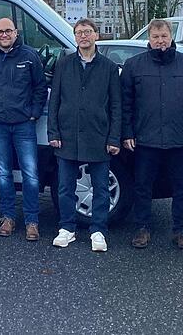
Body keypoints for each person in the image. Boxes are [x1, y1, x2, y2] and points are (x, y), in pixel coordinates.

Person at [122, 19, 183, 251]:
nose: (160, 41)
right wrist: (127, 132)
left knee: (181, 188)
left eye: (164, 36)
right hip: (144, 138)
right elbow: (125, 104)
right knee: (142, 186)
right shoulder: (133, 65)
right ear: (148, 39)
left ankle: (181, 231)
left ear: (171, 37)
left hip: (179, 139)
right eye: (155, 37)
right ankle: (142, 228)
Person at [47, 19, 120, 252]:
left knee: (100, 187)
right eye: (79, 33)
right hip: (67, 133)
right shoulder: (64, 64)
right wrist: (53, 132)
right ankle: (66, 228)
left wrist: (114, 138)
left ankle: (98, 230)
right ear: (75, 37)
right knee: (65, 186)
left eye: (88, 32)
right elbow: (55, 100)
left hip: (98, 134)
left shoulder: (109, 67)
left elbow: (116, 106)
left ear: (96, 35)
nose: (84, 37)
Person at [0, 18, 47, 241]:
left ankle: (31, 221)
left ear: (16, 32)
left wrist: (34, 113)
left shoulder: (29, 56)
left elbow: (40, 87)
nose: (4, 35)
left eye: (8, 31)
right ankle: (7, 217)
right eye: (0, 32)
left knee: (31, 175)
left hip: (24, 123)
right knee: (4, 174)